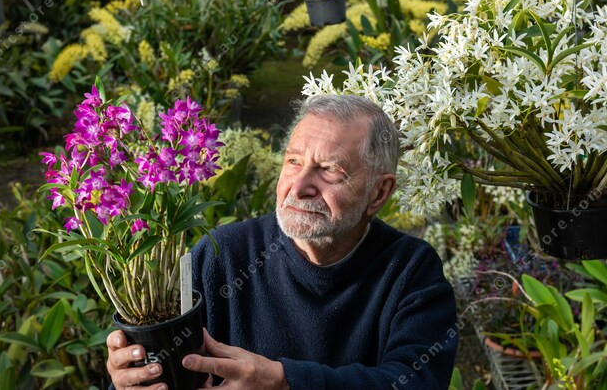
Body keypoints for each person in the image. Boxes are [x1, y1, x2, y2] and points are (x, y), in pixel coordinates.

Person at [106, 94, 458, 390]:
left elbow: (415, 380)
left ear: (379, 192)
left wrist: (284, 381)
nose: (299, 186)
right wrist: (131, 378)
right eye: (293, 161)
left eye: (329, 169)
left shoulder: (410, 270)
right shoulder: (221, 255)